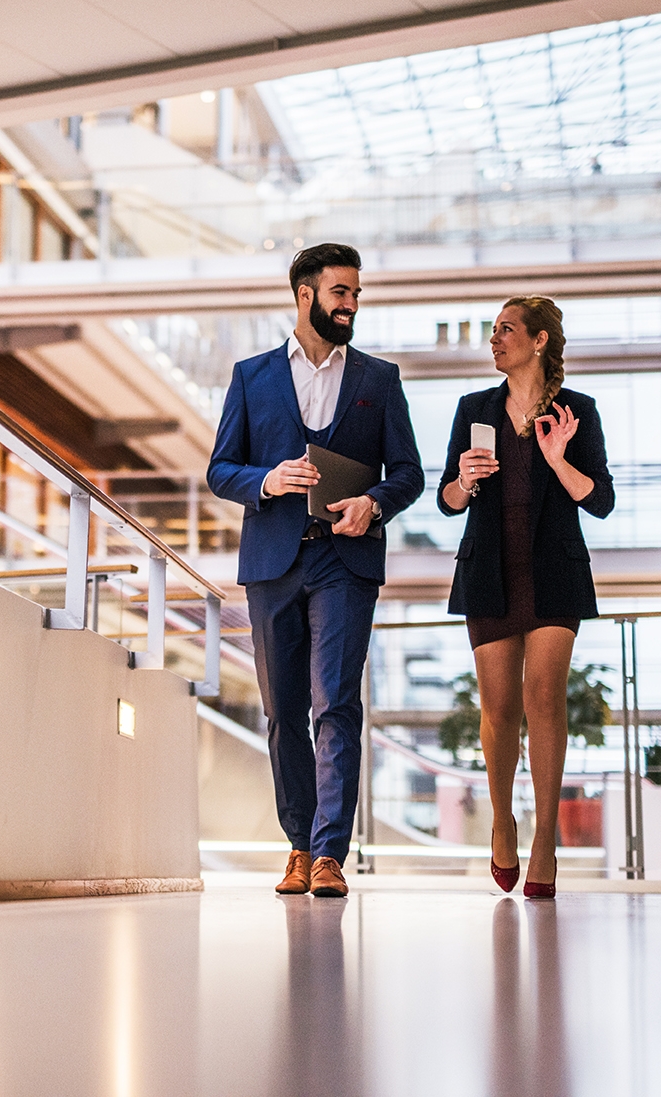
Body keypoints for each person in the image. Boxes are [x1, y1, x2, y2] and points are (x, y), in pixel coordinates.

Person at [207, 243, 425, 899]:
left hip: (344, 561)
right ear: (306, 295)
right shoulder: (252, 376)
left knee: (337, 704)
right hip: (273, 562)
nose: (351, 304)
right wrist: (266, 479)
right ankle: (297, 846)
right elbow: (220, 468)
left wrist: (374, 502)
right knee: (284, 712)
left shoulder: (378, 380)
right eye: (341, 293)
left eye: (356, 294)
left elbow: (409, 472)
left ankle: (330, 853)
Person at [438, 296, 614, 899]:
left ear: (539, 341)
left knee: (544, 695)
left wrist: (557, 458)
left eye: (506, 330)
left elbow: (600, 500)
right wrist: (464, 479)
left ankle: (545, 836)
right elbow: (448, 501)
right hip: (489, 569)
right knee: (498, 709)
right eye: (492, 331)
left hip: (553, 573)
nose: (494, 340)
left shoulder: (576, 412)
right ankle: (502, 820)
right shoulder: (473, 409)